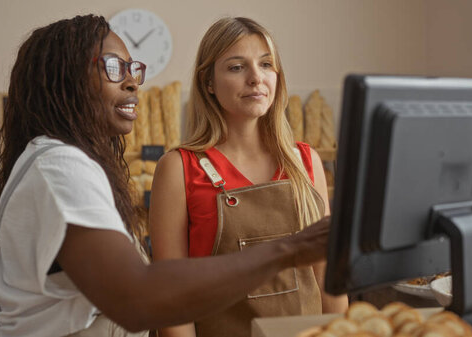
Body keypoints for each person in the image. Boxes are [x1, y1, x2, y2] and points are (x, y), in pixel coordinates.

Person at [0, 14, 331, 337]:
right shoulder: (58, 168)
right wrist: (289, 249)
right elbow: (138, 299)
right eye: (113, 68)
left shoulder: (61, 162)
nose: (132, 83)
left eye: (131, 69)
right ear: (66, 80)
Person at [149, 17, 348, 337]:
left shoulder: (306, 162)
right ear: (208, 83)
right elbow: (171, 295)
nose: (256, 78)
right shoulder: (179, 168)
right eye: (236, 67)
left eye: (266, 64)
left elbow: (327, 278)